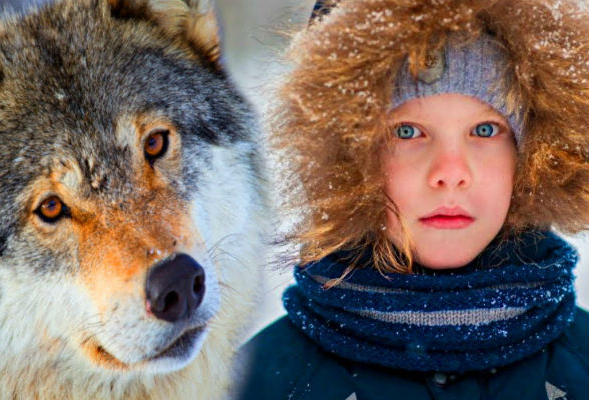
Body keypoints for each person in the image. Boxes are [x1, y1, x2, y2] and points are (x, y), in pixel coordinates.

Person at [235, 0, 588, 399]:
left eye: (485, 130)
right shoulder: (260, 382)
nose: (451, 171)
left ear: (531, 157)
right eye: (408, 132)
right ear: (349, 159)